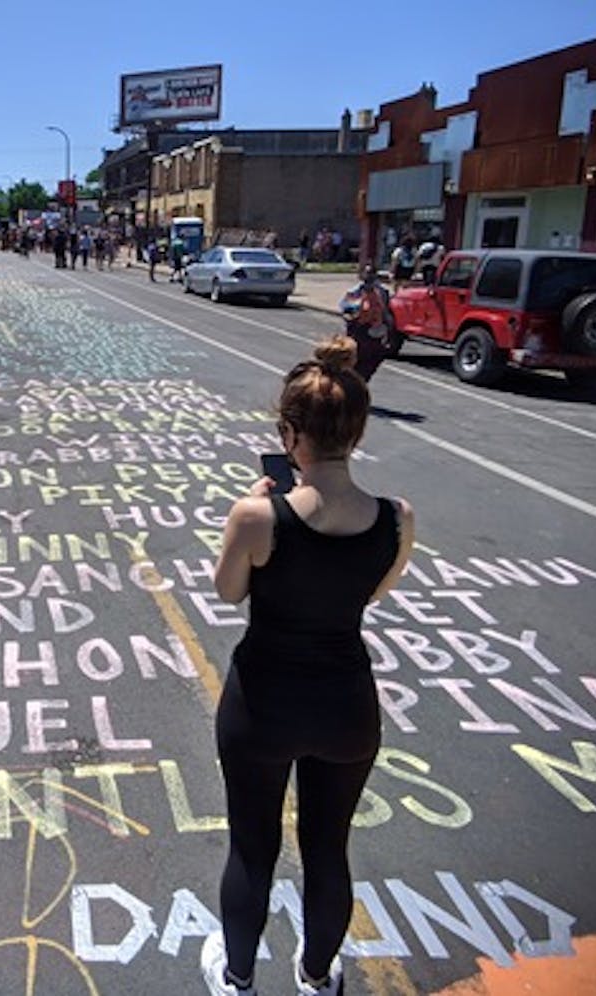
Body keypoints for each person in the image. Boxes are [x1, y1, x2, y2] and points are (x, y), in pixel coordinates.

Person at [201, 336, 415, 996]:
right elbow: (369, 592)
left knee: (252, 849)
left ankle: (237, 978)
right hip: (346, 705)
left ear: (290, 434)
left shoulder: (257, 515)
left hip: (262, 704)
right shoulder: (396, 519)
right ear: (357, 430)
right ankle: (318, 977)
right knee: (328, 849)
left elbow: (228, 591)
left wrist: (254, 510)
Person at [338, 263, 394, 383]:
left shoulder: (382, 292)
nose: (369, 277)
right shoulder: (354, 292)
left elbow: (386, 311)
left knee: (372, 361)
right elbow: (344, 308)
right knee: (353, 360)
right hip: (358, 331)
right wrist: (350, 317)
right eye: (367, 273)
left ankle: (360, 384)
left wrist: (388, 330)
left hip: (374, 332)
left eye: (372, 274)